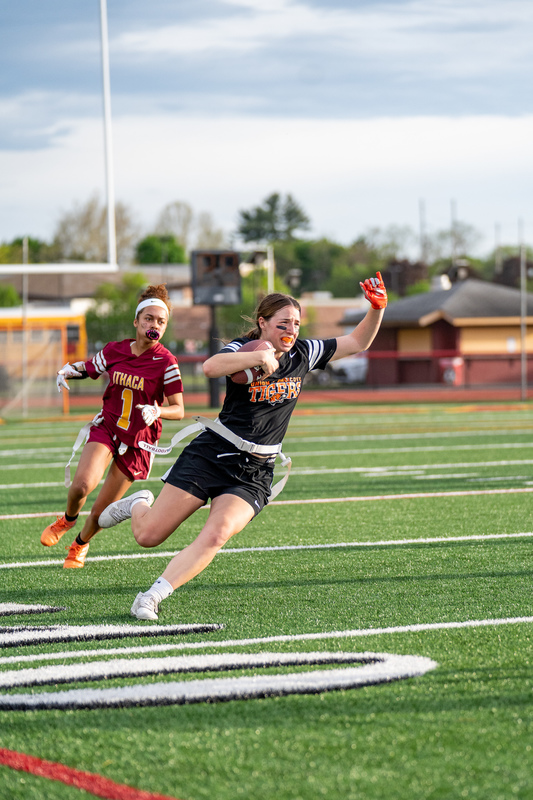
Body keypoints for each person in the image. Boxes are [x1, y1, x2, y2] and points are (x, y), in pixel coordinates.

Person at [98, 272, 388, 620]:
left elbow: (358, 342)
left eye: (296, 323)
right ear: (263, 323)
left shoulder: (304, 352)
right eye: (283, 322)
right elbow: (210, 366)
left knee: (217, 533)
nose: (291, 330)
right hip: (213, 453)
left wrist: (377, 308)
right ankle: (139, 504)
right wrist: (256, 359)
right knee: (148, 535)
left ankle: (151, 596)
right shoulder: (242, 347)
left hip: (256, 470)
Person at [40, 284, 184, 569]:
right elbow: (91, 367)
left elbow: (179, 409)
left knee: (100, 511)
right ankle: (67, 520)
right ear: (136, 321)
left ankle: (80, 543)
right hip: (108, 428)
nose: (154, 325)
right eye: (149, 319)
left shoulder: (166, 362)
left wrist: (157, 411)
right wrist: (69, 369)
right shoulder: (116, 349)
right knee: (81, 485)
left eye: (160, 321)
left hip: (138, 442)